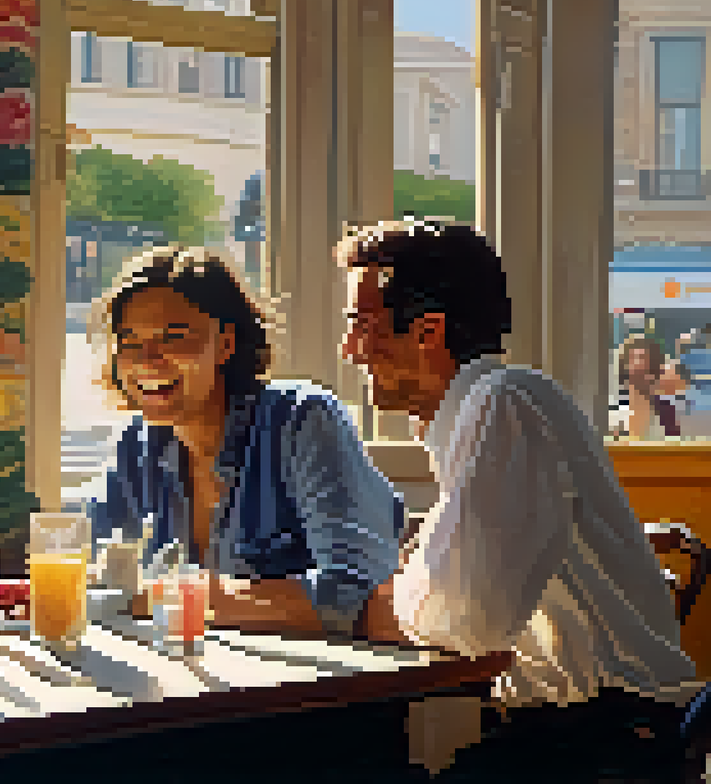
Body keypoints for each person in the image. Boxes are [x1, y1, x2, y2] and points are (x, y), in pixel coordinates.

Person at [339, 219, 701, 782]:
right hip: (578, 732)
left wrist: (388, 593)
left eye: (361, 326)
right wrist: (419, 577)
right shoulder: (480, 414)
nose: (349, 350)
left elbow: (468, 619)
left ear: (429, 332)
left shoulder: (504, 405)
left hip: (612, 743)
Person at [87, 246, 404, 639]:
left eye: (174, 337)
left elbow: (358, 591)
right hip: (197, 668)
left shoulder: (302, 419)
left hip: (318, 674)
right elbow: (99, 579)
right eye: (130, 342)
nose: (147, 360)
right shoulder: (135, 445)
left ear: (225, 344)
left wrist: (184, 596)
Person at [611, 334, 682, 440]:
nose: (639, 365)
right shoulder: (616, 407)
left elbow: (675, 443)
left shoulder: (666, 410)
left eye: (644, 360)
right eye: (634, 359)